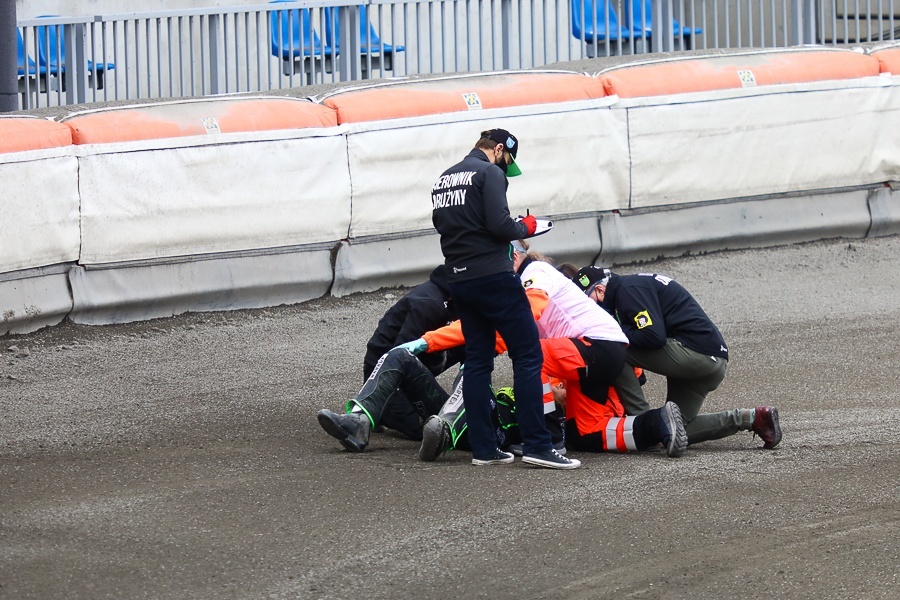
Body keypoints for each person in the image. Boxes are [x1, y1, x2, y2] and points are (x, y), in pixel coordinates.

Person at [409, 240, 689, 458]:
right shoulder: (521, 283)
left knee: (532, 355)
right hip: (596, 353)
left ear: (513, 257)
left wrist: (432, 341)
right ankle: (658, 423)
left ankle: (546, 440)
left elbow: (524, 319)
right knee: (585, 435)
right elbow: (497, 333)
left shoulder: (535, 272)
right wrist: (435, 340)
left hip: (600, 346)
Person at [423, 128, 579, 469]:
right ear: (498, 150)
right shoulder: (490, 172)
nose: (506, 169)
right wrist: (528, 225)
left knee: (478, 361)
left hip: (459, 278)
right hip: (493, 275)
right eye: (507, 161)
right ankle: (538, 445)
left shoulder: (444, 179)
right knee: (528, 355)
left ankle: (484, 448)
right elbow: (501, 226)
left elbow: (442, 225)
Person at [572, 266, 782, 449]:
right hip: (712, 360)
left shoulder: (628, 290)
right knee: (674, 429)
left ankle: (643, 421)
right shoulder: (630, 287)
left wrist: (614, 329)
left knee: (617, 349)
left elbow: (653, 337)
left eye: (586, 300)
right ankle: (753, 418)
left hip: (696, 354)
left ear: (600, 290)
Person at [362, 265, 464, 440]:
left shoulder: (461, 299)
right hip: (386, 374)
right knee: (425, 429)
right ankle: (377, 407)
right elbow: (398, 358)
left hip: (419, 368)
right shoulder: (428, 304)